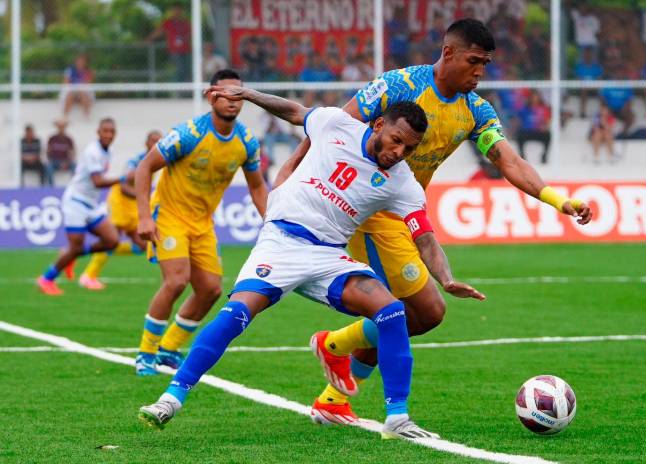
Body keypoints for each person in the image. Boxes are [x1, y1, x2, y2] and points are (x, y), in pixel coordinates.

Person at [273, 19, 592, 425]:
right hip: (367, 209)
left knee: (412, 314)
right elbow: (331, 126)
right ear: (448, 53)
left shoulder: (475, 110)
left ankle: (334, 383)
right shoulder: (399, 85)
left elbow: (508, 160)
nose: (479, 72)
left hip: (400, 212)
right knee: (423, 310)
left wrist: (557, 200)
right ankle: (347, 370)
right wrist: (290, 169)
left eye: (485, 64)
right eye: (474, 61)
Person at [139, 88, 484, 439]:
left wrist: (446, 279)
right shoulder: (337, 125)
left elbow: (424, 237)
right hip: (281, 244)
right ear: (379, 124)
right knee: (236, 315)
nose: (399, 153)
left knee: (392, 311)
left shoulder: (402, 183)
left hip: (329, 256)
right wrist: (246, 93)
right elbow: (292, 110)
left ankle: (397, 418)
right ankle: (171, 399)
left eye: (409, 148)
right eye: (396, 140)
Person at [132, 69, 268, 376]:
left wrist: (272, 220)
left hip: (202, 222)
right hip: (168, 216)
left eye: (239, 95)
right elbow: (145, 168)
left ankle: (168, 348)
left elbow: (257, 186)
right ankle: (145, 353)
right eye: (226, 94)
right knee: (177, 281)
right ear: (211, 95)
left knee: (210, 289)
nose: (233, 101)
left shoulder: (246, 141)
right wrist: (143, 216)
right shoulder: (190, 133)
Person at [36, 118, 122, 295]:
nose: (108, 134)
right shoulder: (92, 151)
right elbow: (98, 182)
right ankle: (46, 279)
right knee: (75, 246)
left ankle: (71, 255)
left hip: (91, 204)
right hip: (75, 202)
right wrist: (123, 179)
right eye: (105, 131)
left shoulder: (109, 150)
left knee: (112, 241)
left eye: (112, 131)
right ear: (98, 132)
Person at [78, 130, 163, 290]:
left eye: (159, 141)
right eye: (153, 141)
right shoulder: (136, 162)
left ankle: (89, 255)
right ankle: (88, 275)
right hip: (119, 202)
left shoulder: (159, 161)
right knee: (112, 238)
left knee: (142, 246)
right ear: (146, 143)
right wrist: (147, 198)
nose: (156, 144)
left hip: (134, 205)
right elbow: (124, 187)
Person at [148, 5, 191, 82]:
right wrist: (147, 40)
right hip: (174, 51)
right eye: (174, 11)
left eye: (178, 11)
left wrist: (185, 39)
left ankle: (184, 90)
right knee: (179, 70)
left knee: (185, 71)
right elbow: (158, 32)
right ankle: (178, 90)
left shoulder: (185, 23)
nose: (176, 13)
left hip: (186, 51)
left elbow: (191, 34)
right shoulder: (168, 23)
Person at [516, 90, 551, 164]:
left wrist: (544, 126)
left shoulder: (544, 108)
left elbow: (547, 121)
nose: (535, 99)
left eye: (536, 97)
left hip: (538, 132)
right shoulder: (525, 108)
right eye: (533, 97)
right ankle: (522, 156)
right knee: (519, 135)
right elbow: (518, 119)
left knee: (548, 134)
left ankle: (544, 156)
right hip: (527, 132)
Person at [62, 54, 94, 119]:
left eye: (83, 61)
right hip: (72, 89)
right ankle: (65, 116)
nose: (80, 63)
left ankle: (86, 115)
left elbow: (88, 82)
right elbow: (66, 82)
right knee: (70, 95)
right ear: (75, 61)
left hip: (82, 90)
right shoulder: (70, 70)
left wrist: (79, 87)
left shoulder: (89, 71)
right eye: (79, 61)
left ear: (86, 63)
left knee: (83, 93)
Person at [574, 48, 603, 118]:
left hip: (594, 87)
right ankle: (582, 112)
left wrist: (594, 84)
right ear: (583, 55)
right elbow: (578, 79)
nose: (587, 56)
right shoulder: (579, 67)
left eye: (589, 54)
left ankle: (602, 112)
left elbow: (599, 79)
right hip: (583, 87)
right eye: (586, 54)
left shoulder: (597, 67)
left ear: (592, 56)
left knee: (602, 92)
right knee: (584, 90)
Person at [47, 119, 76, 183]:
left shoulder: (68, 139)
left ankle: (73, 185)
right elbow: (48, 152)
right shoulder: (52, 138)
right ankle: (51, 187)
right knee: (48, 167)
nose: (61, 128)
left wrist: (67, 161)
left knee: (75, 166)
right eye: (60, 126)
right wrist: (51, 159)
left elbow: (72, 152)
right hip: (54, 161)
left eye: (62, 126)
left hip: (66, 161)